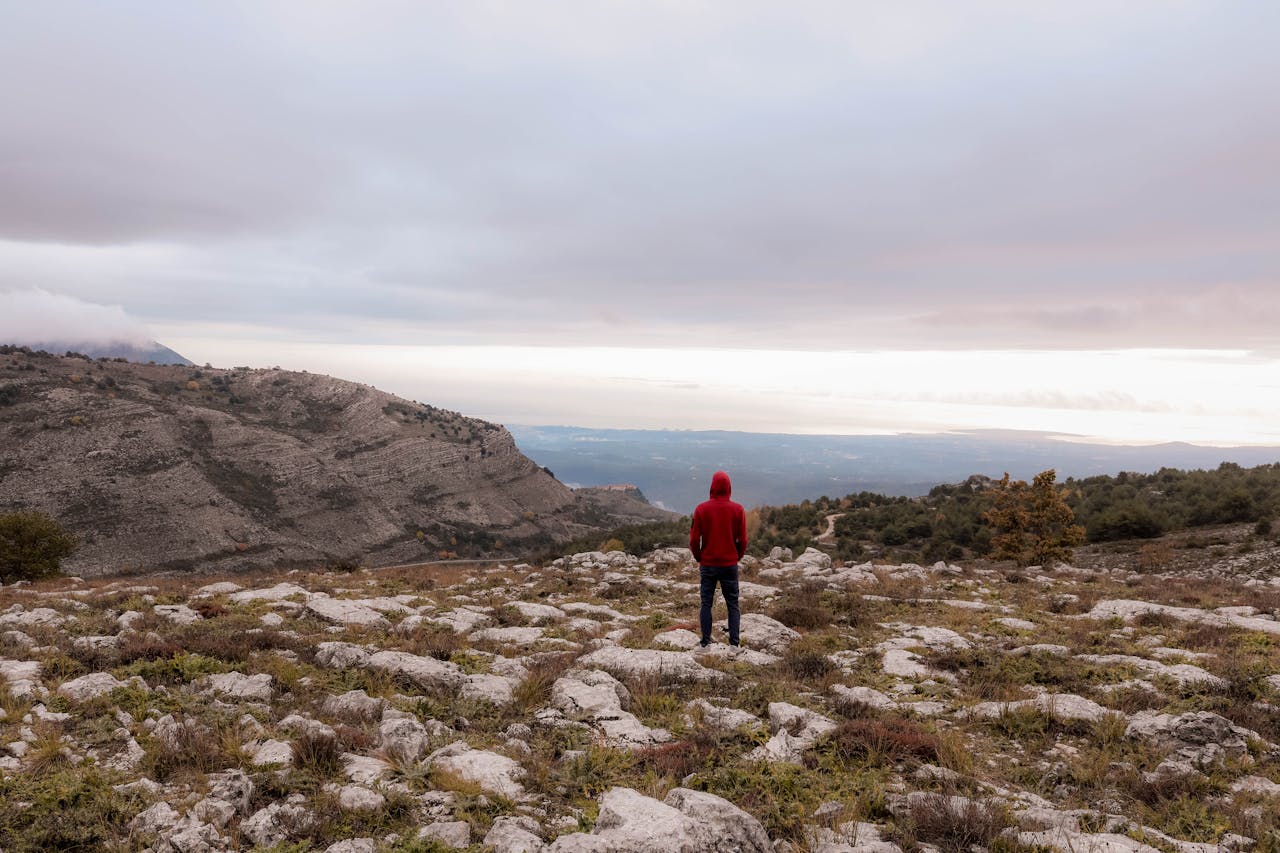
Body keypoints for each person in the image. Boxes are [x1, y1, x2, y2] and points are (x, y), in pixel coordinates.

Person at [689, 470, 747, 647]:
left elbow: (693, 540)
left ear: (712, 487)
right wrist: (737, 556)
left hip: (708, 564)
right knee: (733, 605)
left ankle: (705, 643)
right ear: (729, 487)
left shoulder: (701, 509)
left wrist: (699, 557)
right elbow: (743, 539)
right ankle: (734, 646)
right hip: (729, 564)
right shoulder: (738, 509)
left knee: (706, 603)